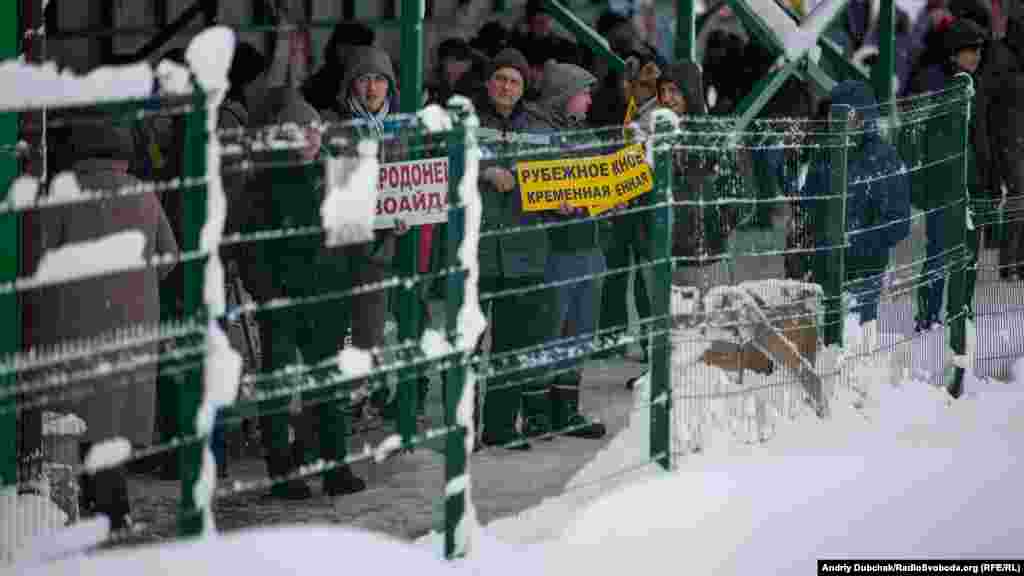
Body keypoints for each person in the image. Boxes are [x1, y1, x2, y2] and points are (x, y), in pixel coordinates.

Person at [25, 111, 179, 531]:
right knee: (114, 417)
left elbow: (36, 259)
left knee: (78, 415)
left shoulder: (62, 195)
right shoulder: (144, 194)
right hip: (132, 324)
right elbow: (170, 256)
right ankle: (111, 504)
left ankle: (94, 501)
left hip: (71, 321)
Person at [241, 88, 366, 499]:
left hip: (328, 298)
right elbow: (249, 249)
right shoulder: (262, 181)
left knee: (327, 387)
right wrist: (266, 293)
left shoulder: (342, 173)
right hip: (281, 301)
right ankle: (283, 473)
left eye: (314, 128)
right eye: (299, 130)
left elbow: (356, 241)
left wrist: (349, 288)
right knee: (280, 389)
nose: (310, 137)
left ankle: (334, 467)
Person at [472, 48, 552, 450]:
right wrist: (482, 172)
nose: (506, 87)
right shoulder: (466, 122)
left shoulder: (539, 127)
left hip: (524, 251)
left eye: (514, 81)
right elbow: (441, 166)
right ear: (489, 83)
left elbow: (557, 174)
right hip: (475, 251)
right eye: (500, 79)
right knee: (467, 345)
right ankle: (463, 428)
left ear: (524, 87)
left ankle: (500, 427)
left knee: (512, 344)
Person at [529, 60, 608, 440]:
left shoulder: (586, 135)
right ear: (564, 95)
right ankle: (536, 413)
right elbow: (532, 186)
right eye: (584, 93)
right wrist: (553, 203)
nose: (589, 101)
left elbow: (599, 182)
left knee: (580, 332)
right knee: (547, 331)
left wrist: (612, 196)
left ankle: (566, 409)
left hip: (589, 244)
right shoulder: (537, 134)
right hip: (554, 248)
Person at [802, 81, 911, 330]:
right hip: (823, 268)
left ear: (862, 117)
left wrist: (857, 240)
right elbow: (810, 204)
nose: (835, 121)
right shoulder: (824, 153)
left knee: (855, 337)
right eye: (833, 114)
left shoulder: (883, 158)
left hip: (864, 272)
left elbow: (899, 222)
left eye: (844, 114)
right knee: (823, 338)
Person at [910, 18, 986, 333]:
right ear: (954, 53)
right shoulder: (938, 86)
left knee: (968, 252)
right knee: (939, 252)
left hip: (971, 183)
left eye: (979, 49)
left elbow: (981, 139)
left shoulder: (973, 84)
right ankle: (929, 316)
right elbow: (929, 141)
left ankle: (960, 312)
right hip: (943, 185)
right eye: (970, 50)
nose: (976, 55)